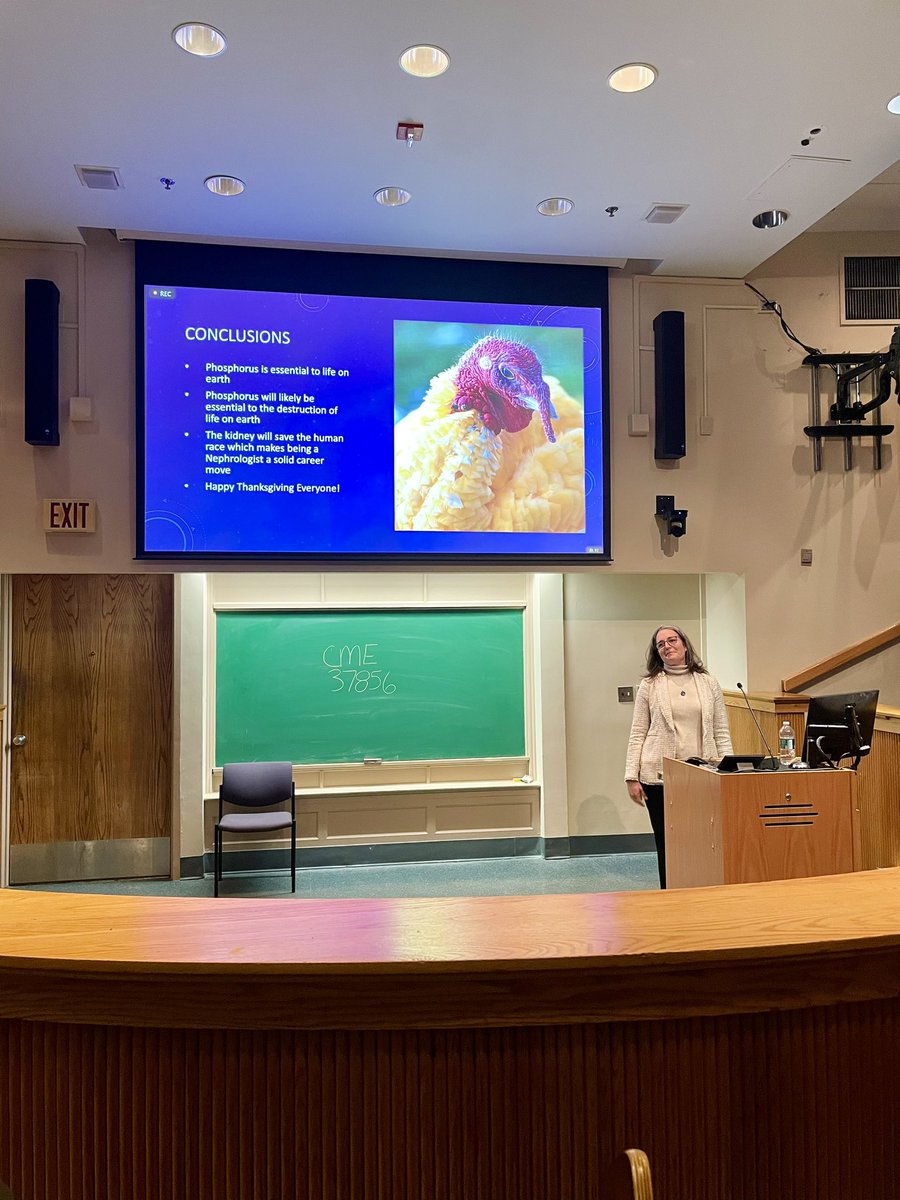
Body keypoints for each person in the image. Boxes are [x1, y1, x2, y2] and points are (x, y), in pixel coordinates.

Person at [624, 625, 733, 888]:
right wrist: (631, 776)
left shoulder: (708, 683)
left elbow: (721, 730)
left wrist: (731, 767)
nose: (667, 646)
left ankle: (699, 894)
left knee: (701, 840)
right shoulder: (649, 685)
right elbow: (638, 731)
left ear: (685, 645)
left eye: (672, 640)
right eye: (660, 644)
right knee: (667, 843)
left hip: (702, 776)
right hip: (659, 778)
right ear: (657, 652)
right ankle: (669, 895)